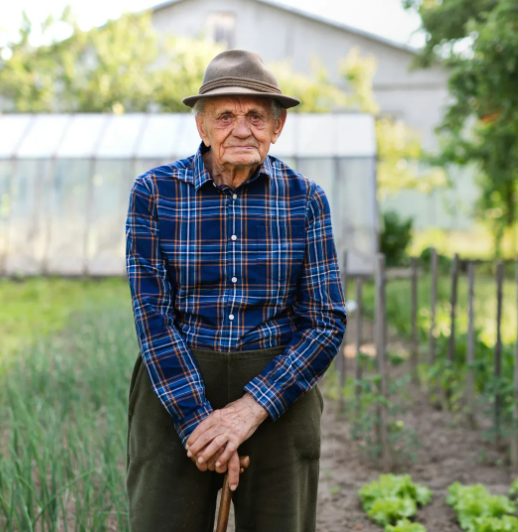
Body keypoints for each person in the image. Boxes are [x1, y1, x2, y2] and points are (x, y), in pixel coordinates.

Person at [124, 49, 347, 531]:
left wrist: (249, 411)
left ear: (277, 126)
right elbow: (152, 315)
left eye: (255, 116)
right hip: (174, 388)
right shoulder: (155, 193)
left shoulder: (305, 199)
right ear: (201, 126)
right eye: (225, 116)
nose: (242, 129)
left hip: (280, 393)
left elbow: (325, 322)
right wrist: (199, 424)